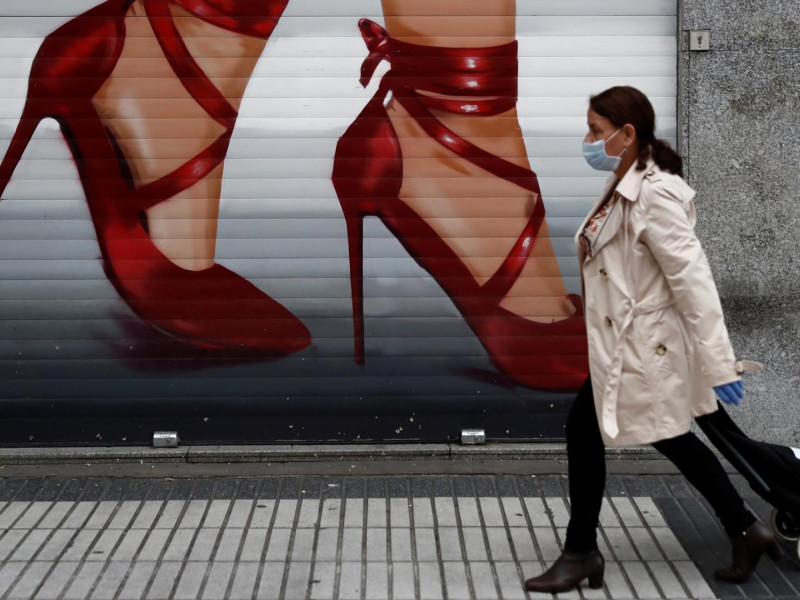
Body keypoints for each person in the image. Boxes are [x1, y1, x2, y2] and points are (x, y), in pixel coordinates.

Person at [523, 86, 780, 593]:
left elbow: (694, 282)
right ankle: (745, 529)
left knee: (597, 432)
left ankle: (581, 554)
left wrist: (719, 363)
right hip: (625, 348)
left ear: (626, 134)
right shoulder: (625, 183)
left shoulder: (655, 193)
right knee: (667, 438)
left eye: (596, 131)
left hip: (642, 350)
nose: (588, 140)